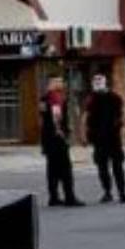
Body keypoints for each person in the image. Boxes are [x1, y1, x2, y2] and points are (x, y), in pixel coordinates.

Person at [86, 73, 125, 204]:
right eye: (96, 82)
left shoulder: (114, 97)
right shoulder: (91, 99)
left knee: (117, 167)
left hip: (113, 137)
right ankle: (107, 192)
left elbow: (124, 112)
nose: (98, 84)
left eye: (100, 81)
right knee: (102, 167)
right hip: (98, 138)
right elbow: (85, 116)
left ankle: (122, 192)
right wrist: (83, 134)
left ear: (105, 82)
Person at [40, 78, 81, 208]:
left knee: (52, 169)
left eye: (62, 81)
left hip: (47, 138)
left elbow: (42, 117)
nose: (62, 84)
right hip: (57, 138)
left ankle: (54, 197)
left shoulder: (43, 98)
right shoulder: (55, 97)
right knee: (65, 169)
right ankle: (70, 197)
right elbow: (56, 115)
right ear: (51, 84)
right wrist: (60, 131)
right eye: (58, 81)